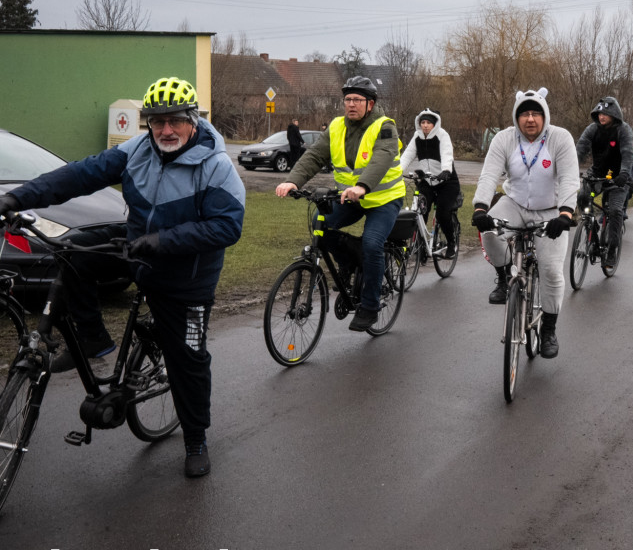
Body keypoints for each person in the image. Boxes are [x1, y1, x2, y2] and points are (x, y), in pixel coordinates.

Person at [0, 77, 245, 478]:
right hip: (138, 247)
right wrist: (18, 197)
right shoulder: (137, 150)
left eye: (174, 121)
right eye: (155, 121)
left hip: (187, 276)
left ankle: (196, 437)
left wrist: (162, 240)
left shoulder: (215, 166)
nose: (165, 130)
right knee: (72, 251)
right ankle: (94, 340)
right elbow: (79, 175)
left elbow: (227, 227)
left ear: (193, 120)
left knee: (188, 360)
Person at [276, 75, 403, 332]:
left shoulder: (385, 126)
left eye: (357, 99)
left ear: (370, 103)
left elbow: (382, 158)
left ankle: (370, 305)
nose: (351, 104)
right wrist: (294, 181)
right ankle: (348, 260)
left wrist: (362, 186)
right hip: (350, 198)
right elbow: (314, 155)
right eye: (347, 99)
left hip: (383, 200)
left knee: (371, 243)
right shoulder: (336, 127)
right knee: (319, 224)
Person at [471, 88, 579, 359]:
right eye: (524, 114)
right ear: (516, 117)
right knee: (489, 232)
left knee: (552, 271)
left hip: (551, 210)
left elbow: (569, 179)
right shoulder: (505, 139)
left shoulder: (560, 138)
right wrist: (481, 207)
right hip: (515, 203)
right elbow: (488, 175)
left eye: (535, 113)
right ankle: (503, 275)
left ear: (545, 116)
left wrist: (565, 214)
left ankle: (549, 330)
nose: (530, 119)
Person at [574, 96, 633, 266]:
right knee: (585, 197)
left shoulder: (623, 130)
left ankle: (612, 250)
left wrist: (624, 173)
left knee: (615, 211)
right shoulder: (592, 129)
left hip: (618, 179)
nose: (602, 117)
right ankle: (590, 228)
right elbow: (580, 149)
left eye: (606, 114)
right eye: (599, 113)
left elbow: (628, 153)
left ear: (614, 114)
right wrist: (570, 167)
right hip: (598, 175)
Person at [399, 108, 461, 259]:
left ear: (435, 124)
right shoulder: (417, 136)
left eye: (429, 123)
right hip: (427, 181)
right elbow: (407, 155)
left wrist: (446, 170)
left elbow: (447, 153)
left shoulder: (442, 135)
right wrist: (396, 171)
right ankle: (421, 246)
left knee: (442, 213)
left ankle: (452, 244)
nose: (425, 125)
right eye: (423, 122)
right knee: (420, 212)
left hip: (447, 181)